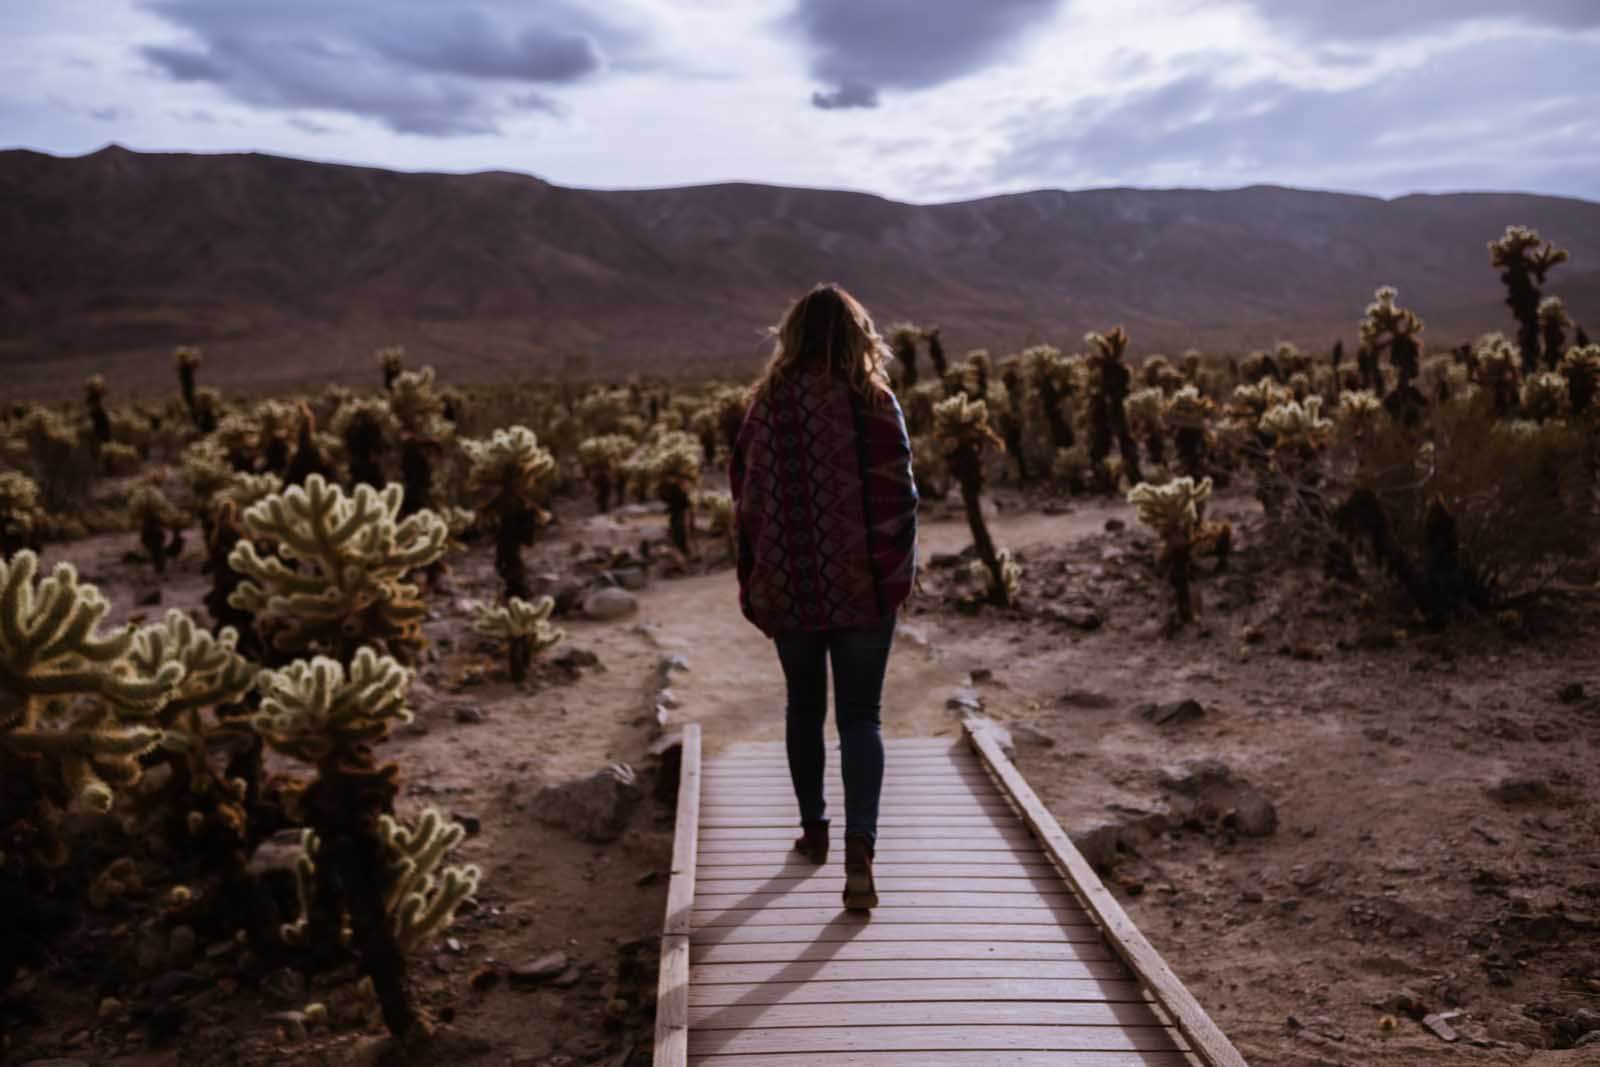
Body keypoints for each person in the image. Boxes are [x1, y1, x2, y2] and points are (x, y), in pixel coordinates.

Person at [728, 283, 919, 911]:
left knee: (803, 708)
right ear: (859, 335)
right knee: (861, 717)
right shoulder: (874, 400)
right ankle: (860, 850)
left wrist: (756, 575)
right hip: (863, 586)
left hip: (792, 588)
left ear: (792, 336)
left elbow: (745, 500)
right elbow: (900, 495)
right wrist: (893, 571)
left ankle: (813, 830)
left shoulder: (765, 409)